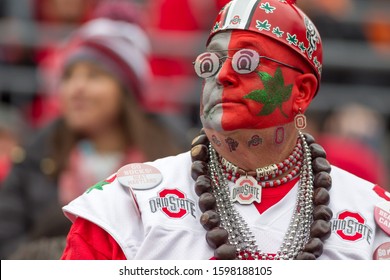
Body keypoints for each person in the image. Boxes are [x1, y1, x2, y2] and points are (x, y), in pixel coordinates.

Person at [60, 0, 390, 260]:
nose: (222, 75)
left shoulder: (373, 223)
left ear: (301, 92)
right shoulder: (129, 205)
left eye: (246, 62)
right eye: (211, 63)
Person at [0, 17, 181, 259]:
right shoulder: (32, 160)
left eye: (94, 76)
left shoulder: (172, 161)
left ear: (126, 89)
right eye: (68, 76)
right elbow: (8, 248)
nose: (76, 88)